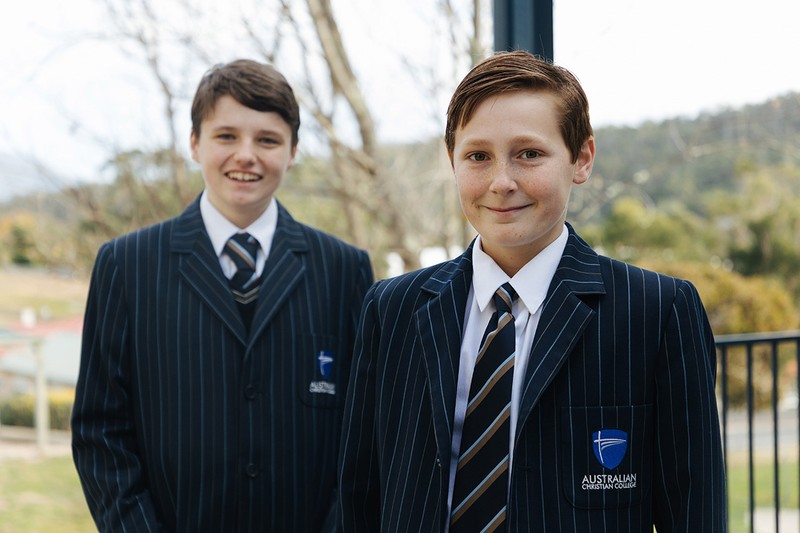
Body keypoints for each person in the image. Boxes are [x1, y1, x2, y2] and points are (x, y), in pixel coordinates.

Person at [338, 50, 726, 532]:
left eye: (529, 154)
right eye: (478, 156)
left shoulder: (658, 310)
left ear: (581, 159)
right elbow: (358, 498)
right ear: (452, 162)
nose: (502, 182)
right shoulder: (391, 309)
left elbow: (694, 511)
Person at [72, 59, 374, 532]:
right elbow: (100, 431)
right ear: (195, 143)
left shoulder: (344, 269)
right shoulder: (125, 265)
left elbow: (365, 435)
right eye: (227, 136)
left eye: (268, 140)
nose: (246, 155)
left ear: (293, 151)